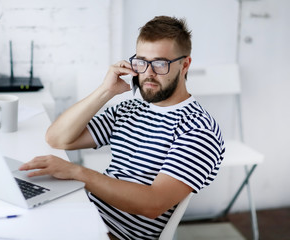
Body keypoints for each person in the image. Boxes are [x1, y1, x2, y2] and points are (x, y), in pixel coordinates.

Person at [20, 16, 225, 240]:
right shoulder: (131, 109)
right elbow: (57, 138)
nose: (148, 72)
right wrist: (106, 90)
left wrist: (76, 172)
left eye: (159, 63)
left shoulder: (199, 129)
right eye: (141, 62)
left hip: (113, 234)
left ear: (185, 65)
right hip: (83, 213)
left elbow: (153, 204)